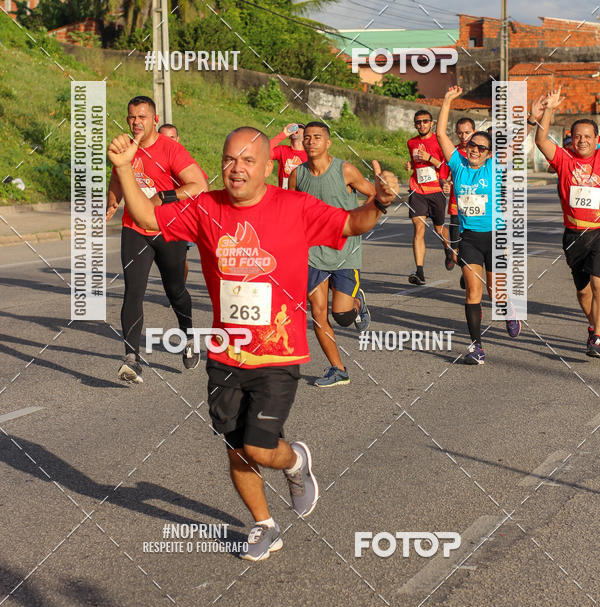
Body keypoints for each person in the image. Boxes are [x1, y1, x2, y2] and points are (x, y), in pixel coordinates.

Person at [107, 125, 399, 561]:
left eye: (247, 160)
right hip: (226, 353)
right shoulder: (206, 207)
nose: (236, 168)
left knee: (259, 447)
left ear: (267, 167)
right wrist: (124, 167)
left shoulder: (295, 206)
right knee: (236, 448)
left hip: (278, 353)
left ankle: (295, 462)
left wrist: (380, 201)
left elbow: (351, 223)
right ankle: (264, 524)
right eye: (229, 159)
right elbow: (148, 218)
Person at [106, 97, 208, 383]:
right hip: (135, 228)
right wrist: (113, 200)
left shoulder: (170, 148)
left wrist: (164, 196)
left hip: (169, 229)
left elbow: (199, 184)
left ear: (155, 119)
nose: (136, 122)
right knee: (133, 291)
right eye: (131, 117)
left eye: (142, 117)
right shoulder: (126, 148)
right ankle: (131, 359)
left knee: (175, 290)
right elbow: (117, 177)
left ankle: (188, 337)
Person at [436, 86, 521, 365]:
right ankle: (476, 347)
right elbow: (441, 134)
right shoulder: (458, 165)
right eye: (472, 145)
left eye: (482, 148)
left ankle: (508, 309)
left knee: (494, 293)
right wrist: (447, 100)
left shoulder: (494, 167)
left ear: (489, 154)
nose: (475, 150)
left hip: (495, 237)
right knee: (473, 291)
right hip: (470, 238)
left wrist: (530, 118)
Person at [289, 122, 375, 387]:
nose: (311, 141)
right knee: (318, 314)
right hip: (312, 254)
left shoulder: (344, 170)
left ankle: (357, 304)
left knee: (342, 315)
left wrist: (357, 220)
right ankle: (338, 370)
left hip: (344, 252)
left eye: (317, 137)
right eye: (307, 137)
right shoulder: (297, 175)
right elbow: (288, 209)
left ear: (328, 143)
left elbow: (373, 193)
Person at [535, 88, 600, 356]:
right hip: (573, 235)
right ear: (571, 139)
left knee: (598, 283)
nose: (582, 141)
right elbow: (541, 140)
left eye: (587, 136)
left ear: (597, 139)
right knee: (584, 293)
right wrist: (549, 109)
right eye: (577, 136)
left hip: (598, 232)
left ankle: (598, 337)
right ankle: (593, 327)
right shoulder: (564, 159)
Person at [405, 109, 453, 284]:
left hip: (436, 191)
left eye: (425, 121)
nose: (422, 124)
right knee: (418, 229)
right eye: (418, 122)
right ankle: (419, 272)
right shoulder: (411, 142)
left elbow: (446, 166)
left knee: (439, 229)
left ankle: (448, 249)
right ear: (415, 125)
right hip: (417, 190)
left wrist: (430, 158)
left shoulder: (439, 141)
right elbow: (416, 164)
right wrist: (410, 165)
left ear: (431, 123)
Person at [158, 123, 196, 284]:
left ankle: (179, 289)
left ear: (178, 139)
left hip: (180, 216)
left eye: (172, 138)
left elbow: (199, 185)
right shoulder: (151, 158)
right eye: (164, 138)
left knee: (180, 259)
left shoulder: (184, 160)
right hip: (155, 215)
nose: (168, 141)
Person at [447, 117, 475, 266]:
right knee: (456, 250)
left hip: (478, 206)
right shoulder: (453, 153)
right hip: (456, 205)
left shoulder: (482, 152)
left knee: (472, 246)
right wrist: (444, 184)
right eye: (460, 133)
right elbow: (443, 175)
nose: (463, 136)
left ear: (474, 132)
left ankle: (467, 272)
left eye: (467, 132)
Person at [269, 123, 307, 188]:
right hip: (283, 192)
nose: (296, 128)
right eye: (294, 127)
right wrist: (283, 134)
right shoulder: (282, 150)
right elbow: (263, 151)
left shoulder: (309, 155)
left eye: (300, 126)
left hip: (300, 192)